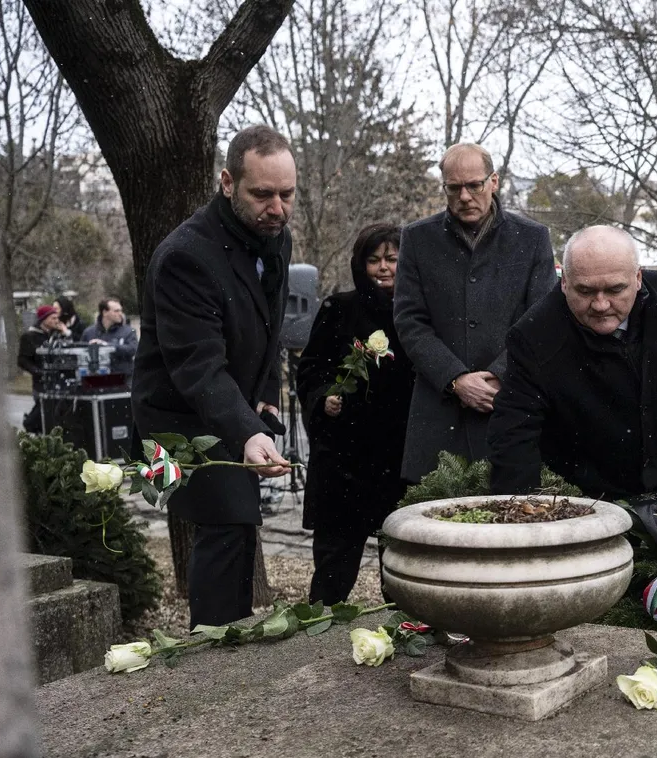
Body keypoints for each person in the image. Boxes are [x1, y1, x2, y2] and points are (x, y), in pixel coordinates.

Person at [131, 125, 295, 628]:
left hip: (225, 407)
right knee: (228, 518)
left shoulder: (275, 236)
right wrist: (246, 430)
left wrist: (264, 399)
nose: (277, 208)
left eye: (287, 194)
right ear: (227, 182)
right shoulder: (186, 256)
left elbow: (267, 331)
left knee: (240, 522)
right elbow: (197, 363)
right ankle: (212, 648)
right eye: (262, 194)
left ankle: (228, 633)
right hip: (167, 425)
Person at [488, 225, 657, 502]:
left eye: (615, 289)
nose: (600, 305)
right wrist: (526, 519)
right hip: (588, 499)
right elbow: (514, 436)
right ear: (564, 282)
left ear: (638, 277)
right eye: (585, 291)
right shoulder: (534, 336)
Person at [394, 143, 556, 482]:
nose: (465, 196)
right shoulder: (417, 238)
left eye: (474, 185)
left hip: (510, 410)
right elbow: (410, 321)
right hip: (438, 418)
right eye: (454, 188)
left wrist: (498, 375)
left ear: (493, 182)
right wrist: (455, 379)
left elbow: (541, 321)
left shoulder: (532, 238)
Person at [297, 223, 415, 605]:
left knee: (401, 569)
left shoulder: (417, 312)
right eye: (374, 259)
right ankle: (317, 638)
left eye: (393, 259)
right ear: (360, 264)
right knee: (334, 566)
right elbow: (311, 369)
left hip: (397, 460)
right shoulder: (339, 309)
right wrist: (324, 398)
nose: (383, 268)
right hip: (343, 460)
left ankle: (404, 632)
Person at [18, 304, 65, 433]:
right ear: (43, 319)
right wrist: (37, 372)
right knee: (44, 411)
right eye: (53, 318)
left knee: (57, 414)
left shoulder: (57, 336)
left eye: (57, 318)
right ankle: (35, 429)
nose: (56, 321)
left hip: (59, 382)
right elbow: (22, 360)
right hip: (41, 383)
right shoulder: (30, 337)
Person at [82, 298, 139, 376]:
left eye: (121, 310)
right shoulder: (89, 332)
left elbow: (133, 349)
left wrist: (107, 346)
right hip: (96, 379)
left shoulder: (129, 331)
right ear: (105, 312)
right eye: (116, 311)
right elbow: (81, 353)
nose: (120, 313)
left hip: (121, 379)